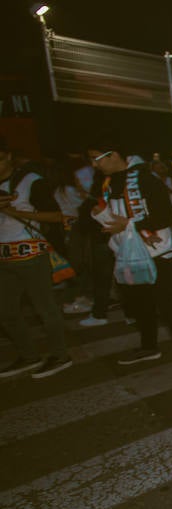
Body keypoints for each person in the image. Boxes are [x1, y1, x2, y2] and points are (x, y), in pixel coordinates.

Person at [87, 141, 172, 373]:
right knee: (138, 304)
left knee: (168, 305)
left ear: (114, 153)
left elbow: (165, 216)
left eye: (97, 158)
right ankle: (148, 346)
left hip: (157, 252)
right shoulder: (106, 183)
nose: (94, 164)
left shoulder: (145, 179)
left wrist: (127, 225)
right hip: (126, 253)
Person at [0, 138, 73, 378]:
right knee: (6, 311)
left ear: (8, 156)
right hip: (3, 257)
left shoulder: (31, 182)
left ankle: (60, 354)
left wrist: (15, 212)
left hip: (31, 254)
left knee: (44, 308)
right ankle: (28, 355)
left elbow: (56, 216)